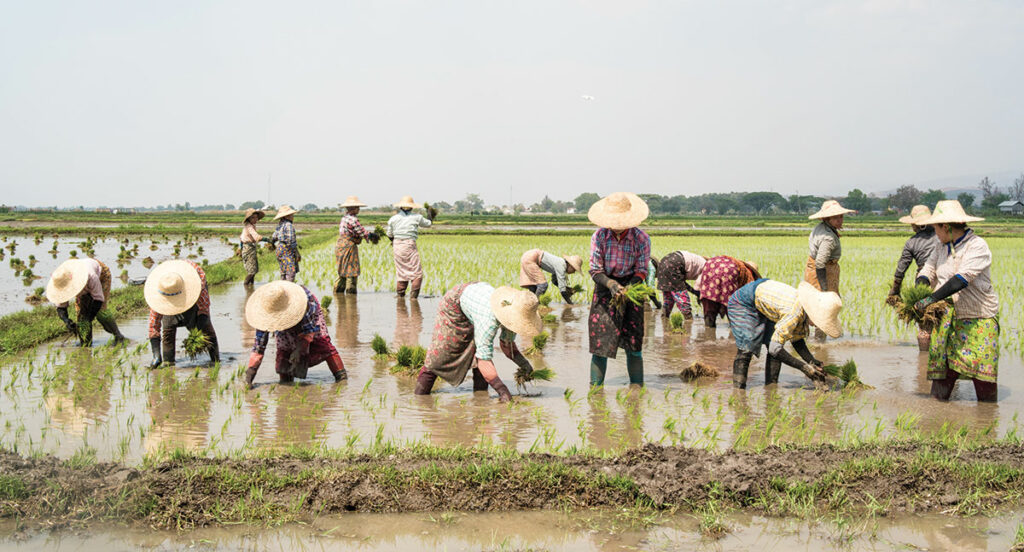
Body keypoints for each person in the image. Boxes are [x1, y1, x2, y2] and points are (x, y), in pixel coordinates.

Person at [913, 200, 999, 402]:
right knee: (943, 375)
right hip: (947, 318)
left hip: (977, 319)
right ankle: (936, 415)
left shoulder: (977, 246)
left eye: (936, 228)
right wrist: (921, 285)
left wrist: (931, 298)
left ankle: (986, 420)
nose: (935, 233)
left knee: (982, 377)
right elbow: (929, 268)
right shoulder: (939, 244)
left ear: (947, 227)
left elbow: (961, 279)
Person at [414, 284, 541, 401]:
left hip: (475, 303)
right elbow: (484, 359)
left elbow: (507, 346)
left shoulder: (513, 319)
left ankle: (480, 398)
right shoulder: (489, 321)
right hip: (454, 304)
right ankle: (420, 399)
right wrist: (503, 392)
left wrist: (525, 366)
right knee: (440, 355)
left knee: (478, 353)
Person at [585, 192, 651, 387]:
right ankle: (596, 392)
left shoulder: (641, 238)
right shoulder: (600, 236)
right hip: (605, 287)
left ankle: (637, 389)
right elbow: (595, 270)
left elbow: (641, 270)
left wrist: (628, 288)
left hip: (632, 287)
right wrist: (612, 285)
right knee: (600, 345)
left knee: (633, 344)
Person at [727, 279, 839, 388]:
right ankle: (738, 391)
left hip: (765, 302)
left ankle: (770, 388)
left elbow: (797, 340)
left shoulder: (802, 309)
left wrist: (812, 362)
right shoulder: (794, 313)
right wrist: (804, 368)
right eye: (819, 322)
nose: (816, 326)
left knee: (775, 342)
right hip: (744, 301)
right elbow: (774, 348)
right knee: (747, 346)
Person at [244, 280, 348, 388]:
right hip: (286, 326)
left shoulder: (305, 300)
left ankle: (342, 379)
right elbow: (259, 348)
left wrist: (299, 349)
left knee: (322, 344)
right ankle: (286, 385)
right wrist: (250, 375)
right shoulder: (263, 314)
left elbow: (309, 331)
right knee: (284, 351)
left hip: (309, 320)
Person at [144, 259, 219, 368]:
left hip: (189, 290)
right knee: (168, 329)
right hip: (170, 291)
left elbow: (204, 309)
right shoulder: (159, 291)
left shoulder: (197, 280)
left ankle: (215, 361)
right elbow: (153, 325)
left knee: (205, 327)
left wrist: (198, 328)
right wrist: (156, 354)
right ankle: (168, 363)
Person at [889, 204, 941, 351]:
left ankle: (923, 359)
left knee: (925, 324)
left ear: (916, 225)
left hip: (923, 282)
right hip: (945, 279)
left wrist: (894, 292)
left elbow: (901, 271)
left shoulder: (912, 242)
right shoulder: (942, 237)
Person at [45, 257, 126, 346]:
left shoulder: (91, 276)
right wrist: (67, 321)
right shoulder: (61, 281)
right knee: (81, 317)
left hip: (101, 275)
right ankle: (86, 344)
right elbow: (61, 307)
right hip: (83, 280)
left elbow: (98, 299)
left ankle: (118, 336)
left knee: (101, 312)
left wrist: (89, 318)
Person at [803, 200, 854, 294]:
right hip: (823, 273)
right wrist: (824, 288)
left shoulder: (820, 227)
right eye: (835, 217)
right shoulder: (828, 238)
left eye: (841, 216)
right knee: (825, 304)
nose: (840, 220)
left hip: (812, 270)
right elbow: (820, 263)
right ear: (827, 219)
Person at [386, 195, 433, 298]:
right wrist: (430, 213)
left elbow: (389, 234)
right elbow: (428, 224)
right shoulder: (417, 217)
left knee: (401, 271)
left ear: (400, 207)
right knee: (416, 273)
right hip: (409, 244)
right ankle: (413, 297)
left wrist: (394, 241)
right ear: (412, 207)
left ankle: (400, 295)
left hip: (397, 245)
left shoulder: (393, 219)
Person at [697, 256, 761, 327]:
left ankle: (709, 327)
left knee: (710, 297)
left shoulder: (736, 263)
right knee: (731, 303)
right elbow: (747, 297)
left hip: (710, 265)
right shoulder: (748, 274)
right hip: (729, 270)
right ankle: (734, 329)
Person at [334, 196, 378, 294]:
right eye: (357, 207)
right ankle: (351, 297)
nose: (359, 209)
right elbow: (362, 232)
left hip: (340, 245)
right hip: (348, 246)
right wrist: (371, 235)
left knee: (342, 270)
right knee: (351, 271)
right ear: (353, 208)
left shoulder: (344, 218)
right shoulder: (353, 220)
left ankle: (338, 296)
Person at [518, 249, 583, 303]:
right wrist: (571, 304)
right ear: (570, 265)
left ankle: (530, 305)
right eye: (574, 270)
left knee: (534, 287)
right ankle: (535, 305)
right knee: (543, 285)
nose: (574, 272)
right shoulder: (561, 267)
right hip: (531, 258)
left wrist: (567, 289)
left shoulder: (560, 264)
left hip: (528, 256)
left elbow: (554, 281)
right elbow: (562, 291)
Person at [656, 250, 705, 320]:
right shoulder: (706, 268)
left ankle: (664, 319)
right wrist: (699, 294)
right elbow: (697, 287)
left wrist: (694, 292)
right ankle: (688, 319)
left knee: (668, 298)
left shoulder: (699, 261)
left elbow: (682, 283)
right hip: (674, 264)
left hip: (664, 263)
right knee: (682, 296)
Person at [270, 205, 301, 281]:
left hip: (280, 248)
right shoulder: (288, 225)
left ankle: (283, 288)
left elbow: (274, 237)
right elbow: (291, 240)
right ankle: (288, 288)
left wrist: (273, 244)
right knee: (291, 271)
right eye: (291, 215)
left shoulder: (280, 224)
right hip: (286, 249)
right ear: (287, 216)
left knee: (283, 271)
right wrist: (296, 252)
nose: (293, 217)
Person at [240, 208, 266, 286]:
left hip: (250, 247)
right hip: (248, 248)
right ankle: (246, 286)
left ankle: (251, 288)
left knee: (253, 270)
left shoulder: (251, 226)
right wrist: (266, 239)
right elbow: (256, 237)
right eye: (253, 217)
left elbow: (241, 238)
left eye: (256, 217)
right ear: (249, 218)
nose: (256, 219)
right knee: (252, 271)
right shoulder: (249, 226)